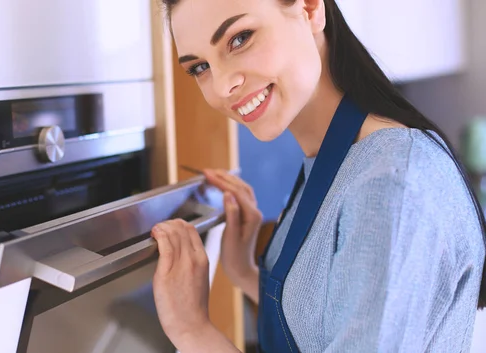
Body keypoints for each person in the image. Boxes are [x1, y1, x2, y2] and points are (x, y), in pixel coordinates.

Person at [149, 0, 486, 352]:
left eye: (240, 38)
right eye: (200, 67)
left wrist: (192, 331)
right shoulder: (330, 161)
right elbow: (324, 328)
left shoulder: (390, 181)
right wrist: (245, 273)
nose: (221, 87)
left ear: (310, 9)